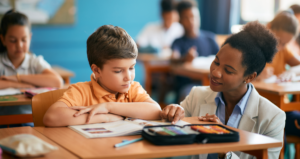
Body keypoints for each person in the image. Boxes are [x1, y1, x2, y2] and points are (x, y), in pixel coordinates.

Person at [160, 21, 285, 159]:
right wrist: (172, 114)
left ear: (249, 77)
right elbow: (173, 146)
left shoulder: (272, 117)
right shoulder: (196, 95)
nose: (215, 72)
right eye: (216, 62)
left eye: (228, 70)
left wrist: (224, 147)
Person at [43, 25, 161, 127]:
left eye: (131, 68)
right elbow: (52, 117)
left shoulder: (133, 89)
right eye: (118, 71)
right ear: (96, 70)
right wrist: (105, 117)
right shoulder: (81, 91)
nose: (128, 77)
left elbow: (155, 111)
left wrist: (108, 107)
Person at [0, 10, 63, 127]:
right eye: (13, 40)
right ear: (3, 39)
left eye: (24, 40)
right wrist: (19, 85)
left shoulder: (34, 62)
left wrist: (17, 78)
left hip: (30, 122)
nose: (19, 45)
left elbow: (57, 81)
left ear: (30, 37)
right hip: (3, 123)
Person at [258, 10, 300, 81]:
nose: (279, 47)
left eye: (284, 44)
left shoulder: (284, 49)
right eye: (277, 41)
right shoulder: (253, 47)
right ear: (269, 27)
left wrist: (292, 72)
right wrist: (254, 76)